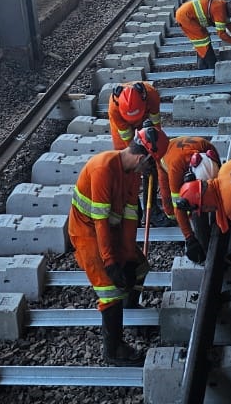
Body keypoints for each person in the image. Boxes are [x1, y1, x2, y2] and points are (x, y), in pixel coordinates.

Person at [69, 125, 169, 365]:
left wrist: (126, 258)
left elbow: (130, 218)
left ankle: (130, 309)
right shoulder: (103, 168)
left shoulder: (134, 174)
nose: (151, 170)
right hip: (87, 232)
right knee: (109, 291)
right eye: (151, 164)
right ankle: (114, 350)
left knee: (139, 267)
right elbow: (100, 220)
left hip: (108, 229)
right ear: (141, 157)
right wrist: (111, 263)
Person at [156, 136, 221, 264]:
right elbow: (179, 205)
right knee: (171, 207)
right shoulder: (175, 168)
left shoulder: (209, 150)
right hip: (165, 160)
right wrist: (189, 237)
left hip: (181, 149)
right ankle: (174, 222)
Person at [174, 0, 231, 72]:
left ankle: (202, 65)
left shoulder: (222, 5)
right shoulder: (220, 11)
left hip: (186, 13)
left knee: (203, 41)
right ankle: (211, 65)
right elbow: (222, 35)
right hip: (185, 17)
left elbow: (230, 26)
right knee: (202, 41)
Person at [107, 81, 162, 149]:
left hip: (144, 117)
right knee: (122, 148)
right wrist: (132, 150)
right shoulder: (114, 107)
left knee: (152, 139)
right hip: (123, 124)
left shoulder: (152, 95)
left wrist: (157, 139)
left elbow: (155, 121)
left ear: (143, 98)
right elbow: (125, 133)